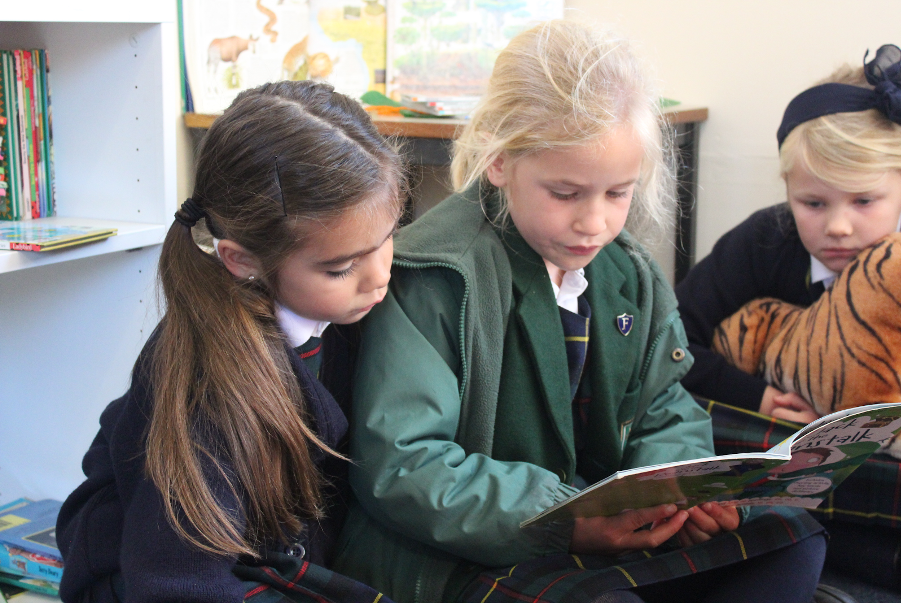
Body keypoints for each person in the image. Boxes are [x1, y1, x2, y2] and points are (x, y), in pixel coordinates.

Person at [332, 20, 826, 603]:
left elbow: (662, 407)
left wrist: (682, 491)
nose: (595, 223)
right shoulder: (437, 277)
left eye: (618, 193)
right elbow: (404, 464)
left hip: (601, 530)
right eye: (565, 194)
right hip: (469, 552)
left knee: (794, 540)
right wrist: (566, 520)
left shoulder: (628, 273)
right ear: (499, 160)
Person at [56, 80, 404, 602]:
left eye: (387, 239)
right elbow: (175, 582)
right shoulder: (210, 390)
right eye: (341, 268)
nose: (380, 276)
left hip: (264, 557)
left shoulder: (338, 307)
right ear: (242, 260)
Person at [675, 45, 900, 587]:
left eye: (864, 201)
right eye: (813, 204)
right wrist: (754, 395)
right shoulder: (764, 239)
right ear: (787, 191)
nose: (838, 227)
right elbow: (669, 342)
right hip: (784, 456)